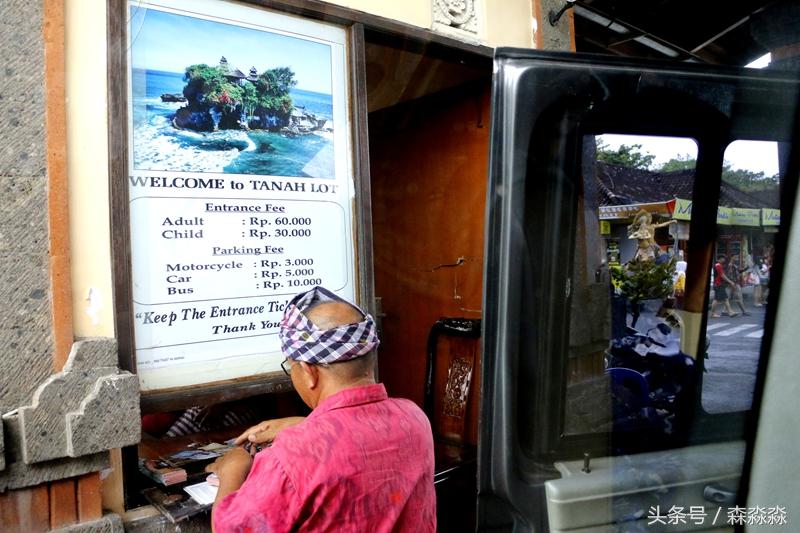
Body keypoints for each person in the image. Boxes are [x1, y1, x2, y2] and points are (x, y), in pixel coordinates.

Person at [207, 287, 436, 532]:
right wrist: (308, 424)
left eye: (290, 366)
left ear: (309, 372)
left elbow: (231, 529)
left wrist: (232, 468)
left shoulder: (290, 456)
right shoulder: (415, 419)